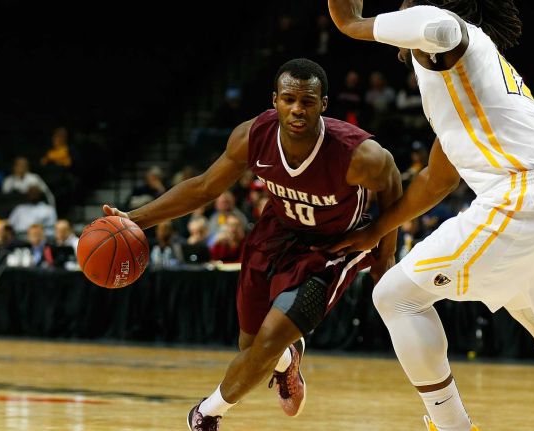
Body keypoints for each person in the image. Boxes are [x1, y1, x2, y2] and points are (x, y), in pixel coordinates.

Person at [327, 1, 534, 430]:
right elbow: (437, 180)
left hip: (525, 194)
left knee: (395, 297)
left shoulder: (452, 37)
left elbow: (439, 27)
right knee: (531, 303)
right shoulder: (462, 75)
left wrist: (350, 23)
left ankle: (453, 426)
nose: (403, 7)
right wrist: (378, 230)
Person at [102, 58, 402, 431]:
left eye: (307, 101)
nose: (297, 108)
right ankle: (286, 362)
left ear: (324, 105)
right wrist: (135, 220)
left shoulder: (358, 155)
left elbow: (393, 187)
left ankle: (206, 413)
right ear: (274, 100)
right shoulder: (252, 136)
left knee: (270, 338)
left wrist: (383, 253)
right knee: (251, 345)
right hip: (274, 234)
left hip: (332, 247)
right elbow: (204, 188)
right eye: (289, 99)